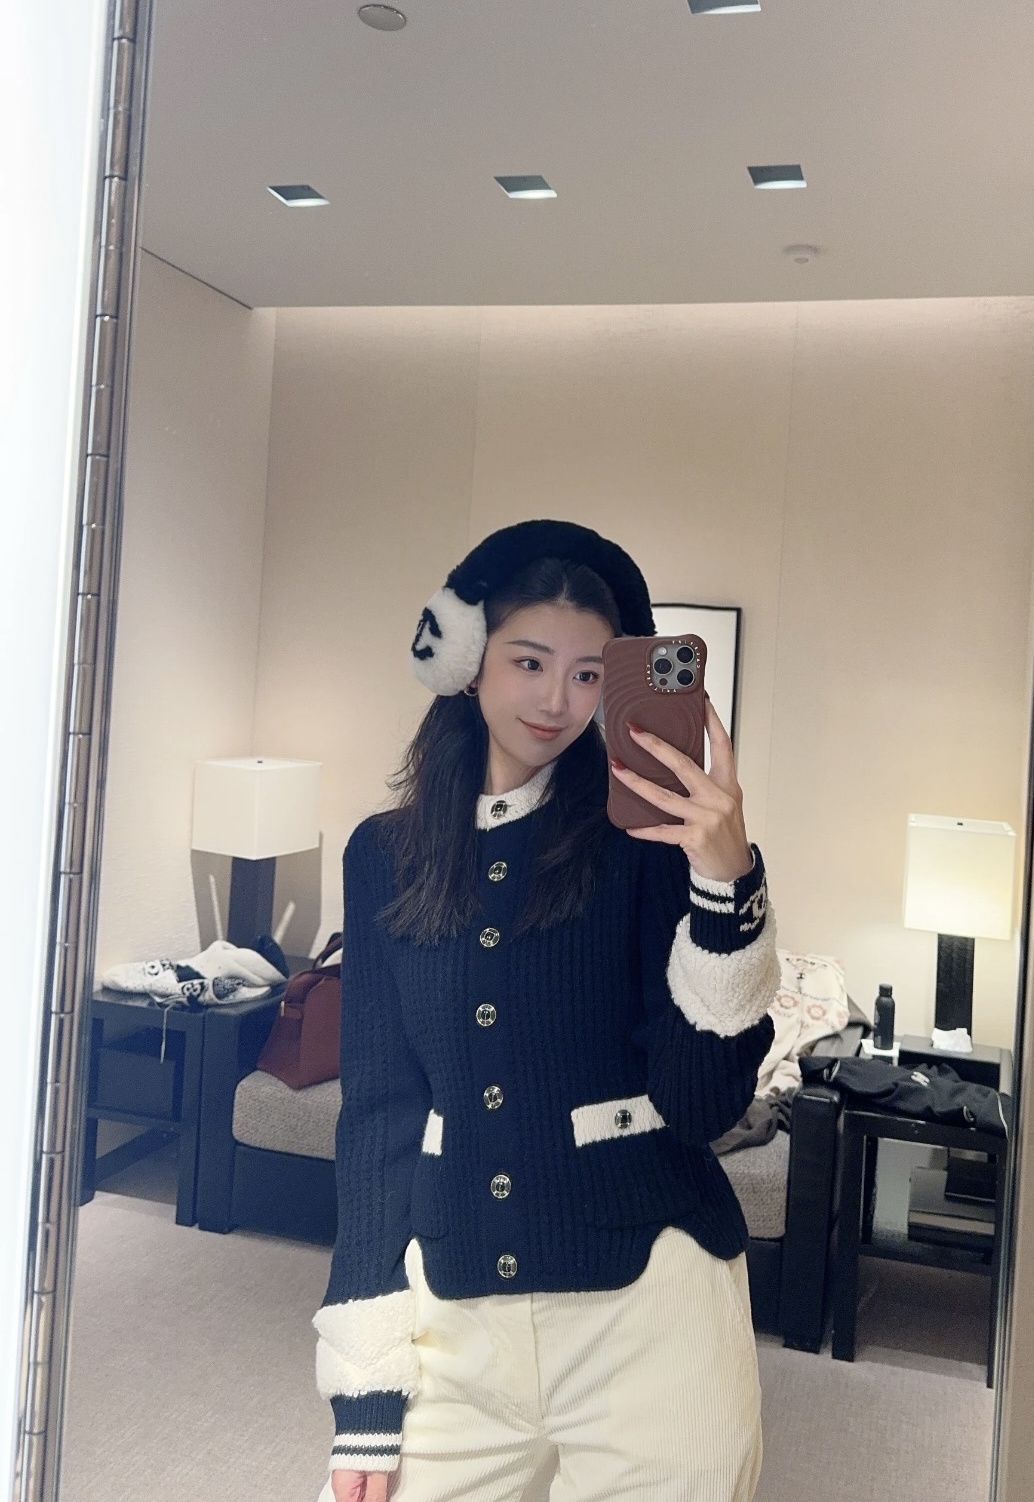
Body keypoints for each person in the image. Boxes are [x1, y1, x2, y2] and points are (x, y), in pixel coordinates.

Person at [314, 520, 778, 1502]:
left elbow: (701, 1103)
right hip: (454, 1324)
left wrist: (725, 880)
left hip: (651, 1312)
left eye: (586, 674)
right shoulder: (383, 856)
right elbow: (379, 1116)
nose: (557, 700)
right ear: (466, 660)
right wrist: (365, 1392)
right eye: (529, 661)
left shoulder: (647, 846)